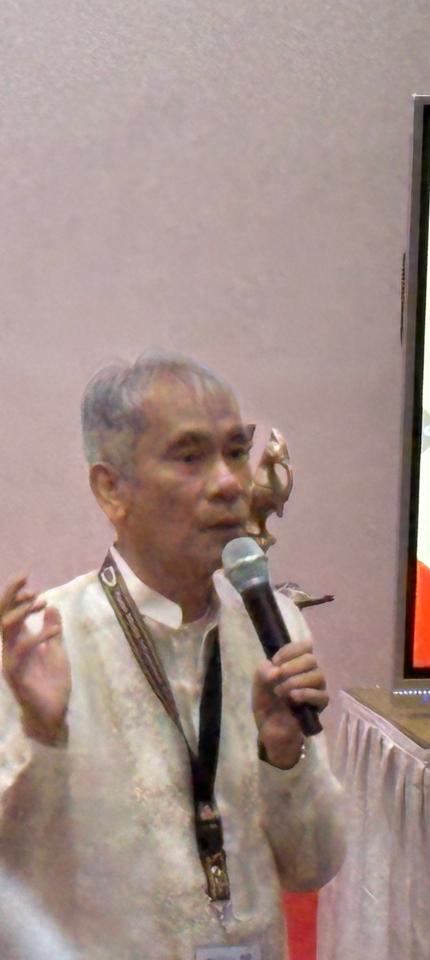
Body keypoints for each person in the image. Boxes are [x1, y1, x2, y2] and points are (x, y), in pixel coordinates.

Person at [0, 353, 346, 960]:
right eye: (190, 457)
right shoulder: (41, 644)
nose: (230, 483)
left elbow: (313, 866)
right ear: (112, 490)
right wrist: (41, 733)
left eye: (236, 451)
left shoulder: (273, 627)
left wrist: (283, 755)